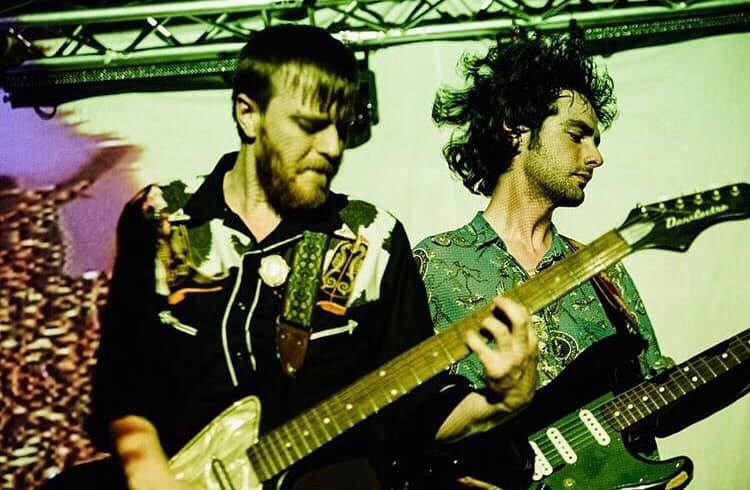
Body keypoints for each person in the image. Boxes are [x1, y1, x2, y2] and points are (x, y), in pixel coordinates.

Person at [78, 25, 537, 490]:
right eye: (311, 125)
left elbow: (416, 411)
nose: (333, 147)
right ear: (247, 114)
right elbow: (123, 385)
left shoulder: (373, 237)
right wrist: (148, 472)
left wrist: (499, 403)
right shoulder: (162, 216)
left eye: (343, 127)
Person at [412, 33, 666, 486]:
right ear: (516, 130)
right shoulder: (433, 266)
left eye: (595, 141)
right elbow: (402, 428)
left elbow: (652, 397)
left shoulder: (603, 270)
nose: (596, 156)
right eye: (577, 135)